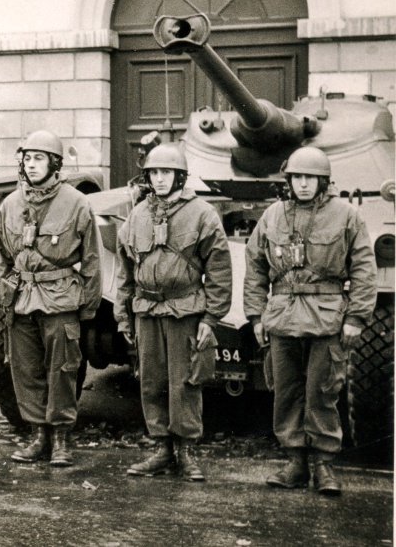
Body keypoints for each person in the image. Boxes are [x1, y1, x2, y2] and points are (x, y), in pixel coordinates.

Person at [245, 146, 376, 496]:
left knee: (323, 392)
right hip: (282, 317)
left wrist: (356, 318)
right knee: (285, 392)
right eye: (297, 177)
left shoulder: (346, 215)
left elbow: (364, 269)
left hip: (327, 317)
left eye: (310, 178)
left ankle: (323, 465)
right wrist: (256, 314)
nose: (303, 184)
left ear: (324, 181)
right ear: (288, 181)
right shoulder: (272, 215)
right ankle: (295, 463)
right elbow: (255, 267)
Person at [114, 144, 232, 481]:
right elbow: (125, 271)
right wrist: (123, 316)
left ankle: (186, 451)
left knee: (185, 382)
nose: (159, 179)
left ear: (180, 176)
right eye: (153, 173)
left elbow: (220, 271)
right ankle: (162, 449)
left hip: (185, 311)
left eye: (166, 172)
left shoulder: (203, 214)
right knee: (151, 382)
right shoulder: (137, 215)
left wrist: (211, 319)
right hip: (147, 311)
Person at [0, 130, 101, 466]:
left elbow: (92, 260)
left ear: (55, 163)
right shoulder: (10, 205)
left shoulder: (76, 203)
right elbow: (1, 258)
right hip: (21, 300)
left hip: (60, 300)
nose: (32, 164)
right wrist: (3, 297)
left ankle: (61, 439)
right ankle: (38, 435)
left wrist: (88, 307)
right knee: (26, 371)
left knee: (62, 371)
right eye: (27, 158)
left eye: (39, 158)